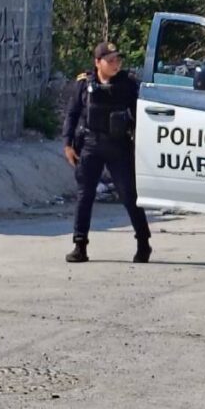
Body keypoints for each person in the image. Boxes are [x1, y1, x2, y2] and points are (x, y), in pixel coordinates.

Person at [62, 42, 152, 264]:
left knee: (129, 195)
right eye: (110, 60)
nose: (115, 64)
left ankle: (143, 243)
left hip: (119, 146)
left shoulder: (127, 84)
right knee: (85, 195)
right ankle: (79, 245)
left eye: (118, 60)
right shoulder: (84, 84)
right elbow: (72, 114)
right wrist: (68, 144)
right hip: (91, 145)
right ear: (97, 62)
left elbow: (140, 115)